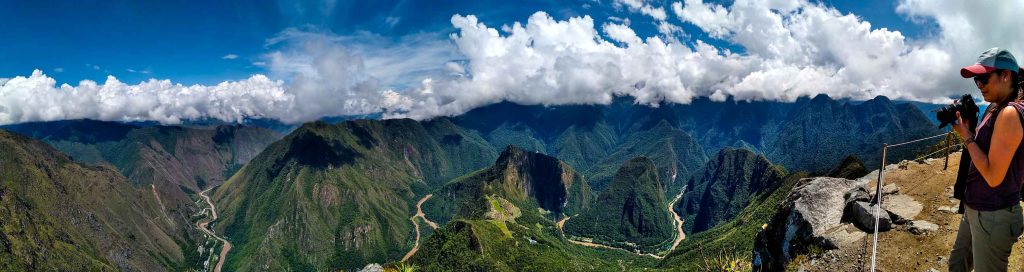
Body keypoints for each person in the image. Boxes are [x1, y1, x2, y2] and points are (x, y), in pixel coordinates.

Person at [950, 47, 1024, 272]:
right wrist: (969, 129)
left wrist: (967, 138)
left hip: (993, 213)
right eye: (976, 80)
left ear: (1005, 75)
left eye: (983, 78)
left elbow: (993, 176)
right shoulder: (995, 108)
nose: (979, 85)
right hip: (977, 207)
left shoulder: (1010, 113)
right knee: (957, 265)